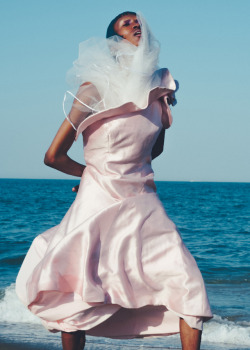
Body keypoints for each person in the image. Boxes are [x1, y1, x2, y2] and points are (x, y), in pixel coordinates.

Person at [16, 11, 212, 350]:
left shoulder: (160, 92)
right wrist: (91, 175)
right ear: (114, 41)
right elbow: (53, 156)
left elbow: (151, 151)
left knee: (188, 284)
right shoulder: (93, 89)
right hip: (99, 201)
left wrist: (161, 108)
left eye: (138, 21)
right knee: (79, 297)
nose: (136, 24)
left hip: (144, 201)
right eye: (125, 23)